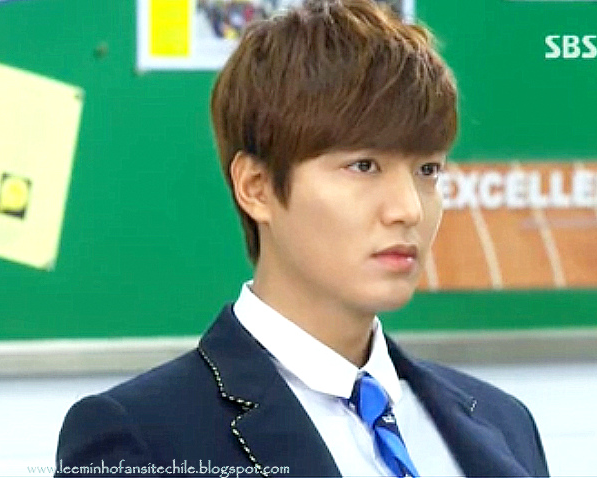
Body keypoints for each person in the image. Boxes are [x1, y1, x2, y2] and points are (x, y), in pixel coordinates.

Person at [55, 0, 549, 476]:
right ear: (257, 187)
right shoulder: (143, 437)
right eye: (364, 166)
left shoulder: (504, 423)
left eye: (428, 170)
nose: (409, 209)